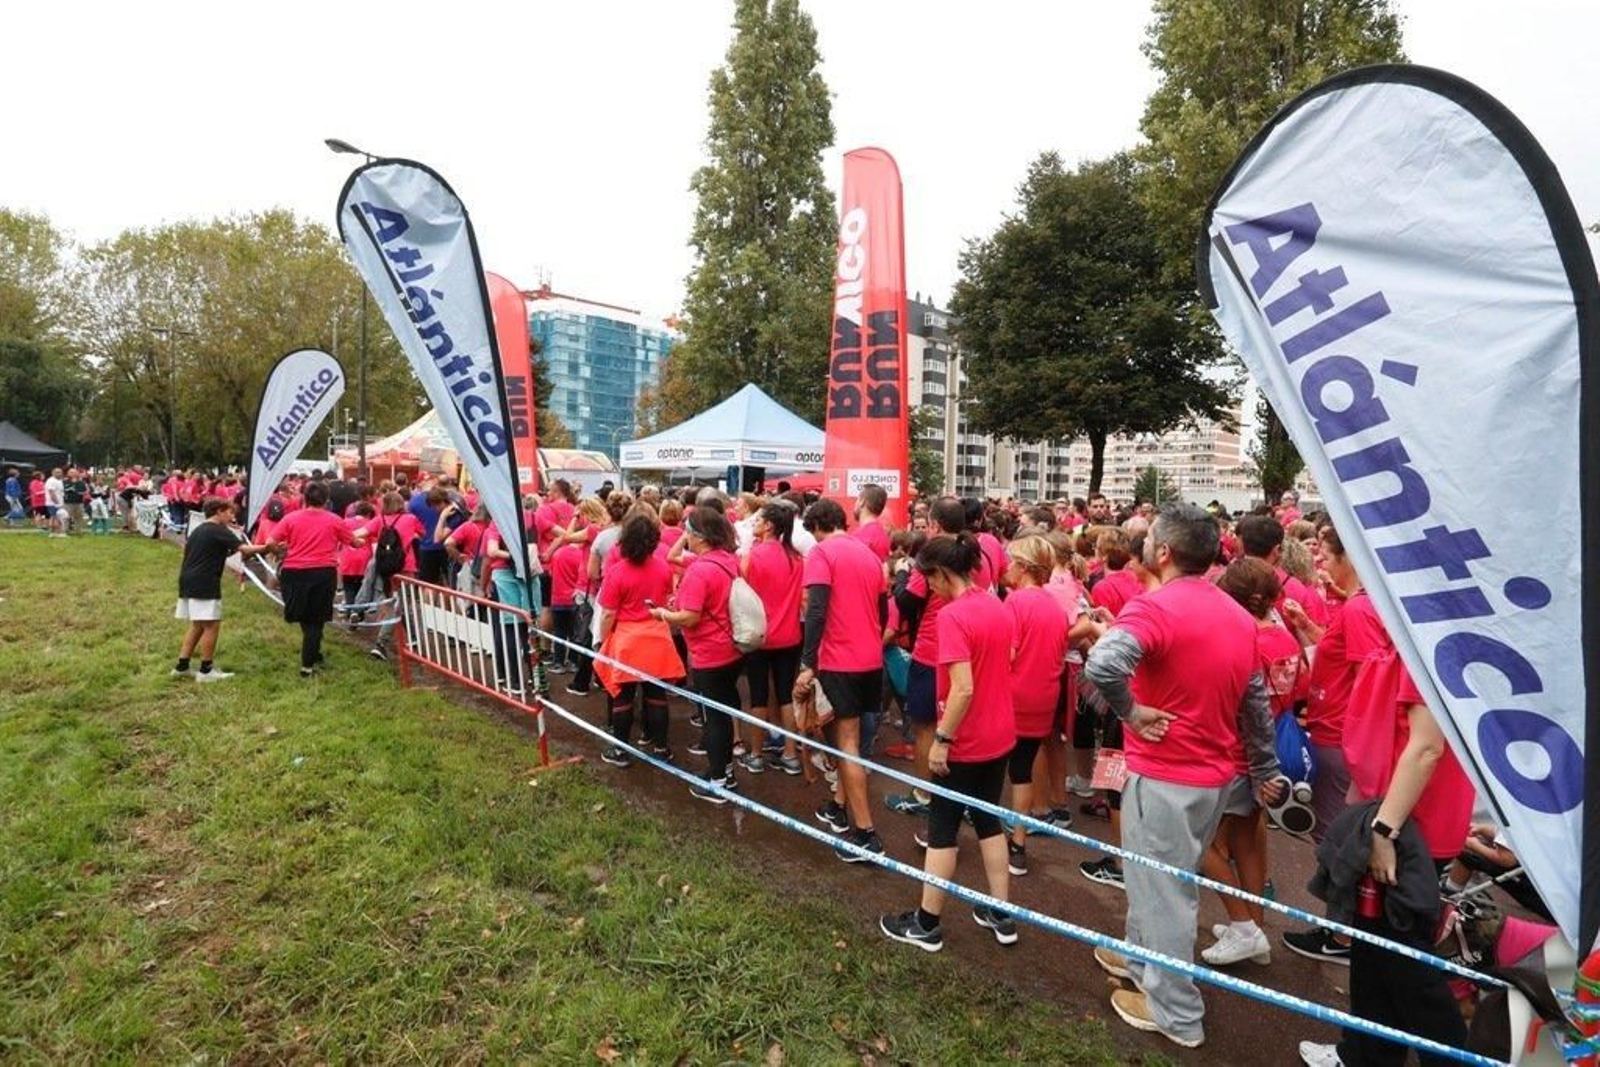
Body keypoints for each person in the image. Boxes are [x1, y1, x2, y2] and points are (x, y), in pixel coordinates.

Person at [1084, 504, 1279, 1049]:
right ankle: (1139, 958)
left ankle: (1176, 1012)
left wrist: (1129, 712)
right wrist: (1263, 766)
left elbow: (1102, 665)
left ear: (1164, 552)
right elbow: (1256, 704)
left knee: (1165, 891)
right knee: (1159, 880)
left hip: (1166, 774)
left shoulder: (1154, 608)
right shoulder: (1239, 617)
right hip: (1212, 777)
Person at [1297, 612, 1474, 1067]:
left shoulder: (1428, 643)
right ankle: (1362, 1055)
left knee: (1407, 970)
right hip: (1401, 822)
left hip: (1408, 833)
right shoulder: (1414, 637)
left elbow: (1427, 746)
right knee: (1376, 960)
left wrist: (1383, 831)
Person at [878, 534, 1018, 951]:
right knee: (989, 821)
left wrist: (942, 740)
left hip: (967, 739)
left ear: (941, 574)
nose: (929, 589)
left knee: (942, 826)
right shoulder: (995, 603)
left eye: (930, 580)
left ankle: (926, 923)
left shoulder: (953, 617)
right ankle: (1002, 912)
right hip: (999, 734)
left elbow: (963, 689)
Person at [1199, 557, 1308, 968]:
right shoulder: (1285, 640)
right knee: (1246, 843)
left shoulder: (1243, 641)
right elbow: (1298, 692)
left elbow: (1235, 702)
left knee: (1202, 844)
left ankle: (1244, 925)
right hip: (1273, 752)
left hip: (1236, 754)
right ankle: (1255, 926)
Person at [796, 498, 888, 860]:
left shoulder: (822, 553)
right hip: (869, 658)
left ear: (817, 526)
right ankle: (838, 805)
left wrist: (807, 662)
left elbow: (816, 608)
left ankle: (866, 834)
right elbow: (882, 608)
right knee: (856, 741)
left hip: (841, 658)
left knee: (847, 744)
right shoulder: (867, 553)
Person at [651, 505, 745, 802]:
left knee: (714, 719)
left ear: (698, 536)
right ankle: (724, 770)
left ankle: (719, 782)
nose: (685, 538)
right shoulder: (728, 560)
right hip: (730, 648)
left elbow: (690, 617)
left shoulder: (700, 570)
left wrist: (663, 615)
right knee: (723, 714)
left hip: (709, 653)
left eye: (688, 532)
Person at [1000, 534, 1071, 877]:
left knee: (992, 766)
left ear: (1025, 568)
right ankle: (1018, 841)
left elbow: (1006, 654)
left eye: (1012, 561)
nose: (1007, 567)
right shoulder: (1055, 606)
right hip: (1044, 696)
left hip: (1012, 696)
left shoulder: (1015, 603)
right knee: (1022, 768)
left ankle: (987, 832)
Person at [594, 512, 683, 765]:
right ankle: (662, 748)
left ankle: (621, 751)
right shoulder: (664, 567)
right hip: (657, 636)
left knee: (623, 696)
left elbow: (608, 613)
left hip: (628, 639)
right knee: (656, 695)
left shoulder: (617, 572)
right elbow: (666, 598)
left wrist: (603, 641)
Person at [268, 480, 365, 677]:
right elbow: (354, 542)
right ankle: (307, 665)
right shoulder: (335, 520)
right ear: (326, 499)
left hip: (294, 572)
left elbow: (270, 541)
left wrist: (283, 549)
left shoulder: (291, 518)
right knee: (316, 619)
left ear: (305, 498)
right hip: (322, 573)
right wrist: (362, 540)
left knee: (306, 616)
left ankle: (313, 652)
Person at [172, 497, 266, 681]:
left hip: (188, 579)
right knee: (211, 624)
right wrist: (267, 547)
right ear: (218, 512)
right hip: (205, 581)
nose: (232, 516)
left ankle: (182, 666)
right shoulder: (218, 529)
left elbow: (220, 550)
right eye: (229, 512)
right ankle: (206, 671)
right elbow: (245, 550)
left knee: (198, 624)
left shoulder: (198, 530)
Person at [742, 500, 805, 776]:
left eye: (758, 519)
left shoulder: (753, 556)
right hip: (790, 636)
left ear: (769, 525)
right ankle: (791, 754)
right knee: (785, 696)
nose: (753, 523)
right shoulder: (797, 558)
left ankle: (756, 755)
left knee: (758, 696)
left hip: (759, 636)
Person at [851, 483, 892, 563]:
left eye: (857, 499)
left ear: (862, 502)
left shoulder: (861, 536)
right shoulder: (882, 534)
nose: (855, 504)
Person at [44, 467, 65, 536]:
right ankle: (56, 533)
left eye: (60, 472)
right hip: (53, 503)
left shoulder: (60, 481)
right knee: (55, 517)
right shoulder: (51, 481)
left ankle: (54, 533)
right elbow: (51, 492)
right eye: (57, 472)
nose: (59, 473)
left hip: (59, 502)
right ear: (52, 473)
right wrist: (57, 503)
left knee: (56, 517)